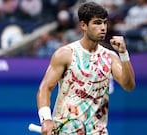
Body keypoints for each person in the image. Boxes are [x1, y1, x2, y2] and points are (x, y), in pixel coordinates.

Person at [36, 2, 135, 135]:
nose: (103, 28)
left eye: (104, 23)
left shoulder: (110, 56)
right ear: (83, 25)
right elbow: (45, 88)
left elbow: (129, 86)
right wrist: (46, 119)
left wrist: (123, 54)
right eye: (97, 23)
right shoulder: (65, 54)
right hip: (66, 130)